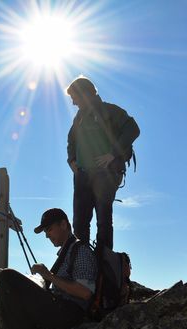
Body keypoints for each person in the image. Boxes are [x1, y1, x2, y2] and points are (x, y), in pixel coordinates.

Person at [0, 208, 96, 329]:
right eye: (45, 232)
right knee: (10, 281)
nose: (47, 235)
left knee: (7, 276)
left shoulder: (81, 251)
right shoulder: (67, 251)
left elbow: (85, 292)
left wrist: (49, 276)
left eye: (49, 229)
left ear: (63, 225)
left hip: (69, 315)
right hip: (61, 311)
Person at [66, 76, 140, 259]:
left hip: (105, 175)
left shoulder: (110, 111)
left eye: (74, 97)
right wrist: (72, 161)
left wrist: (113, 153)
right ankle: (82, 264)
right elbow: (71, 140)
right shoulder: (79, 117)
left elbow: (133, 129)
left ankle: (103, 264)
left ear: (85, 94)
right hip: (82, 175)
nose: (73, 102)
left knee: (103, 221)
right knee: (80, 223)